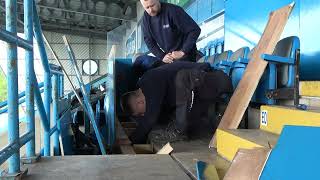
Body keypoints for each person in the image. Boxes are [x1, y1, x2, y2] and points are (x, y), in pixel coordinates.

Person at [121, 61, 233, 144]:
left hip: (215, 80)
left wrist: (131, 140)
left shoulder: (149, 83)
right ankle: (218, 113)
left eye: (140, 113)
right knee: (189, 125)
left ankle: (179, 131)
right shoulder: (146, 84)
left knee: (182, 78)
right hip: (202, 90)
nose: (142, 115)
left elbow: (150, 118)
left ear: (140, 102)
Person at [134, 0, 202, 76]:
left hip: (186, 56)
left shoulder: (173, 11)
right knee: (141, 61)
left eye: (152, 5)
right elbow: (149, 41)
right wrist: (162, 56)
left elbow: (194, 30)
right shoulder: (146, 18)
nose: (150, 10)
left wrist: (183, 51)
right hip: (169, 58)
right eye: (147, 8)